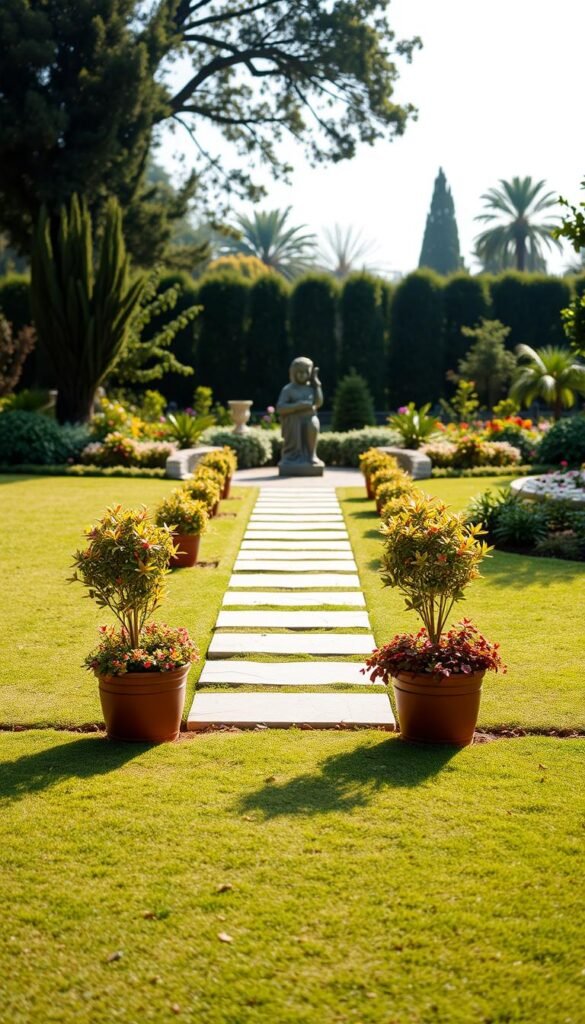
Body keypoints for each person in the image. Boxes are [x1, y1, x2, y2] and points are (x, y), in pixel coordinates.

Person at [276, 356, 324, 471]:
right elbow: (280, 408)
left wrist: (317, 385)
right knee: (298, 425)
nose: (302, 375)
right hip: (293, 422)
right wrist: (297, 406)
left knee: (313, 423)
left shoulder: (311, 388)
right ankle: (292, 456)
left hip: (309, 418)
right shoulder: (288, 389)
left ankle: (311, 455)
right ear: (294, 373)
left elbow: (318, 403)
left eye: (305, 372)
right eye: (299, 372)